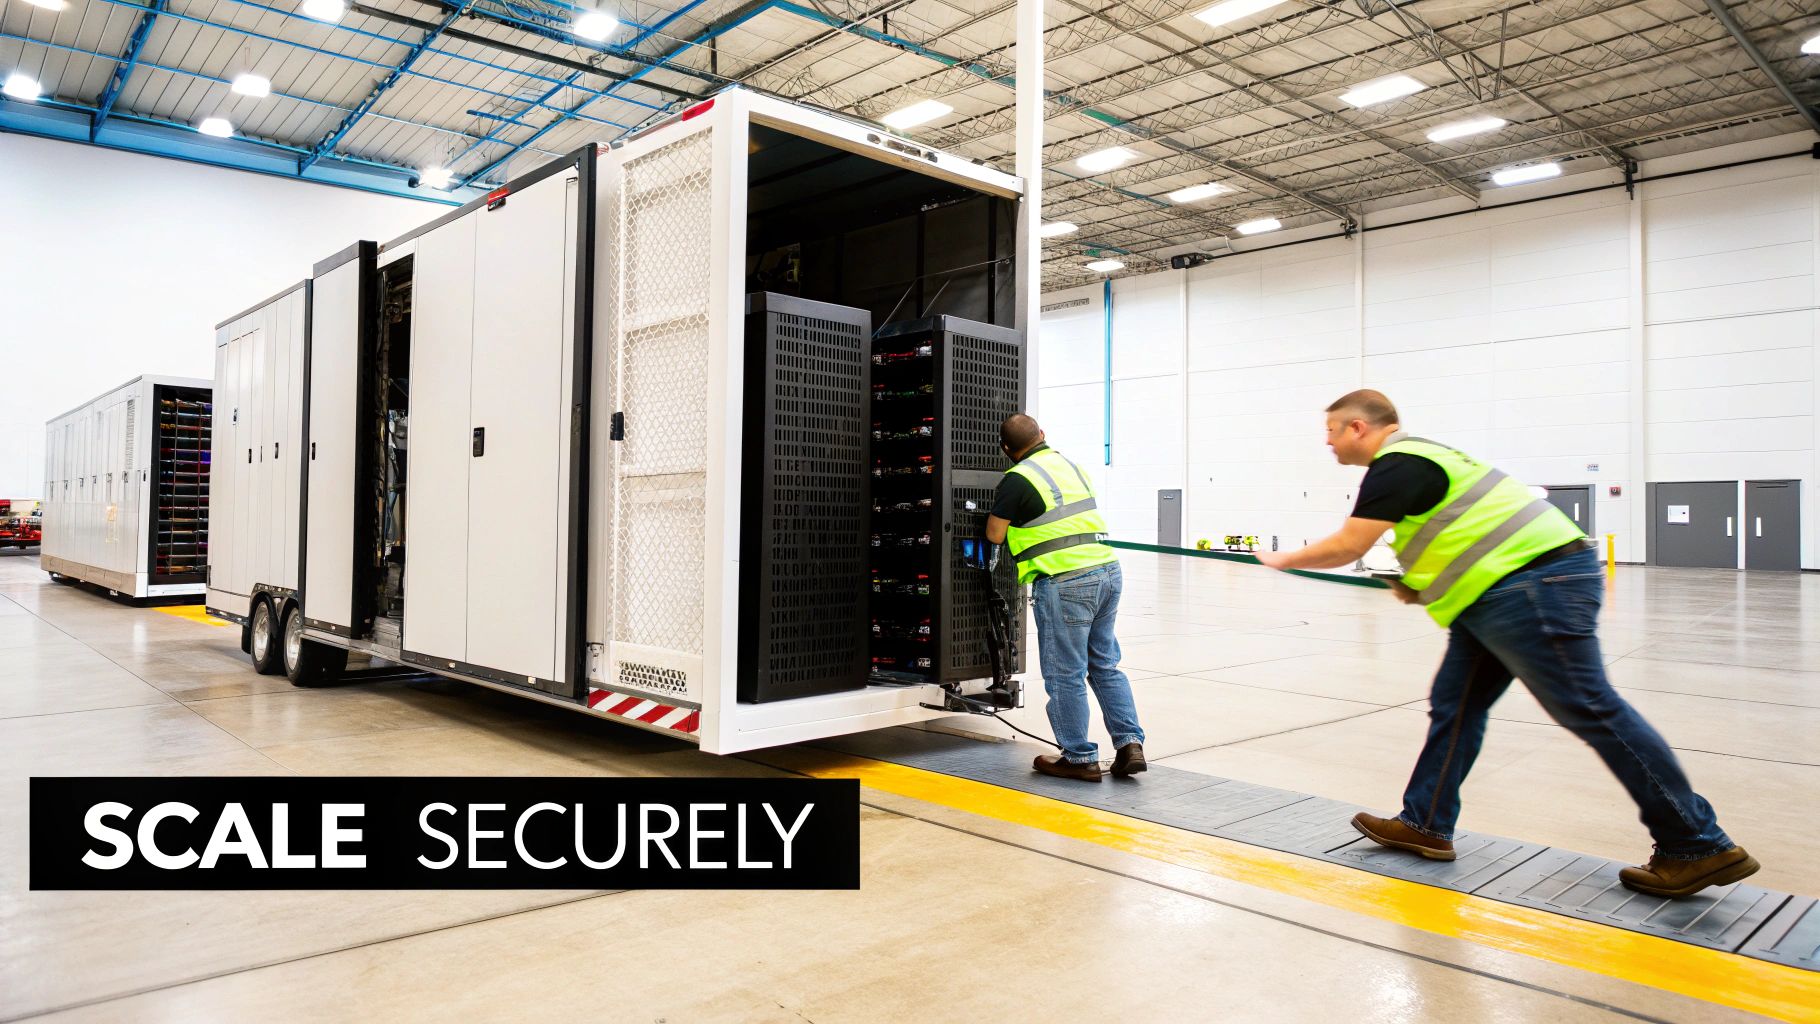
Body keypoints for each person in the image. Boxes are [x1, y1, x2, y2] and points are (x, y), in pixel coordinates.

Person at [1257, 389, 1758, 899]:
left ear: (1359, 428)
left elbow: (1349, 545)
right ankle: (1425, 823)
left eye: (1332, 430)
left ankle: (1696, 842)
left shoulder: (1398, 463)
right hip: (1499, 594)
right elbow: (1458, 531)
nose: (1328, 441)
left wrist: (1280, 559)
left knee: (1591, 708)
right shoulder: (1427, 458)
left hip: (1530, 587)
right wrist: (1418, 582)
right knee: (1456, 705)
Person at [985, 414, 1144, 782]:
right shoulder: (1071, 467)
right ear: (1042, 435)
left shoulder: (1017, 478)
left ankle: (1078, 758)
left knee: (1065, 674)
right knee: (1104, 665)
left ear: (1006, 450)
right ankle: (1129, 744)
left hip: (1065, 581)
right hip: (1107, 571)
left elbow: (995, 534)